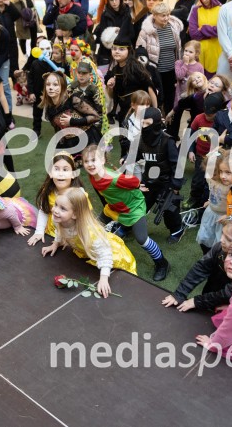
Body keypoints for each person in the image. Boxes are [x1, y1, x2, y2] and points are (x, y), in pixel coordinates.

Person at [82, 145, 170, 281]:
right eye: (86, 161)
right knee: (96, 227)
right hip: (114, 207)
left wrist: (136, 185)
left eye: (94, 160)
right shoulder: (92, 176)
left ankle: (162, 263)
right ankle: (97, 251)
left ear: (103, 161)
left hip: (133, 208)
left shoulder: (114, 178)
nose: (90, 164)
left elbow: (134, 181)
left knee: (142, 239)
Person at [41, 188, 138, 297]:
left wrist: (103, 279)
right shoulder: (58, 218)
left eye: (63, 208)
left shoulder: (91, 234)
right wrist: (56, 243)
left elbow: (105, 255)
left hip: (110, 253)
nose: (55, 210)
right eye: (56, 205)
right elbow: (60, 230)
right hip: (89, 251)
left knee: (123, 282)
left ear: (75, 214)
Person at [163, 209, 232, 313]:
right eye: (222, 233)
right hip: (212, 291)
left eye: (228, 239)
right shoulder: (220, 248)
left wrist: (197, 301)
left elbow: (228, 292)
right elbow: (201, 268)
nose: (221, 240)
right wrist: (180, 294)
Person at [137, 107, 185, 241]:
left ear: (157, 123)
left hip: (166, 184)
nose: (144, 126)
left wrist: (175, 185)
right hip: (149, 181)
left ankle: (177, 230)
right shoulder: (141, 139)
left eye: (147, 123)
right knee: (139, 205)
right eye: (142, 123)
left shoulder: (167, 141)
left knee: (170, 211)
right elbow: (137, 153)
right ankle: (129, 226)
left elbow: (177, 164)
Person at [136, 2, 183, 114]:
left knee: (170, 98)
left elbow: (177, 50)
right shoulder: (146, 32)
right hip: (155, 71)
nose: (166, 18)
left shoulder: (174, 28)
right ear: (154, 15)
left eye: (168, 15)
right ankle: (156, 119)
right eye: (163, 15)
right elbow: (140, 52)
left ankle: (168, 121)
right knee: (157, 97)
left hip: (171, 70)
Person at [104, 30, 156, 124]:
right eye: (114, 48)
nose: (117, 52)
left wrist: (155, 111)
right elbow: (113, 96)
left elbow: (150, 87)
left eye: (121, 49)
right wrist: (110, 86)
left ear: (129, 50)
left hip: (138, 109)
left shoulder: (135, 67)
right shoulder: (114, 69)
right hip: (123, 111)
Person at [188, 0, 223, 75]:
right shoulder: (196, 10)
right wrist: (212, 33)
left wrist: (203, 28)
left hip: (217, 51)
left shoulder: (222, 9)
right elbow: (193, 33)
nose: (204, 0)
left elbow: (222, 30)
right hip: (200, 52)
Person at [93, 0, 128, 67]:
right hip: (108, 49)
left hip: (123, 47)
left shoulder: (126, 12)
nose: (114, 2)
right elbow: (103, 33)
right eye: (111, 0)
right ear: (108, 1)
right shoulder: (105, 14)